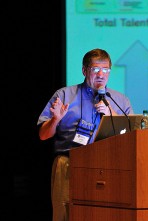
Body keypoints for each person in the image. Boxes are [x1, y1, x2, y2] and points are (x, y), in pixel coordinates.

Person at [37, 48, 134, 221]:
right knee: (65, 216)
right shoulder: (64, 95)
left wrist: (111, 113)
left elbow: (132, 135)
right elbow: (43, 135)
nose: (101, 75)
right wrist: (55, 120)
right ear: (84, 70)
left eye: (106, 70)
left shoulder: (120, 101)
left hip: (109, 166)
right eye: (96, 69)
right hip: (69, 164)